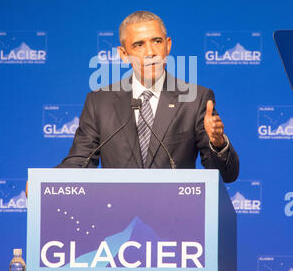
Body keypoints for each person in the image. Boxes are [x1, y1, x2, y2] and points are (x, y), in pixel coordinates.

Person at [56, 11, 239, 183]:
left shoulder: (194, 99)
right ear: (123, 54)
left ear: (168, 45)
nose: (150, 52)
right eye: (139, 44)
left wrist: (218, 143)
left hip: (175, 212)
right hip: (118, 211)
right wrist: (46, 182)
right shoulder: (99, 102)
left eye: (157, 41)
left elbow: (226, 175)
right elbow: (81, 160)